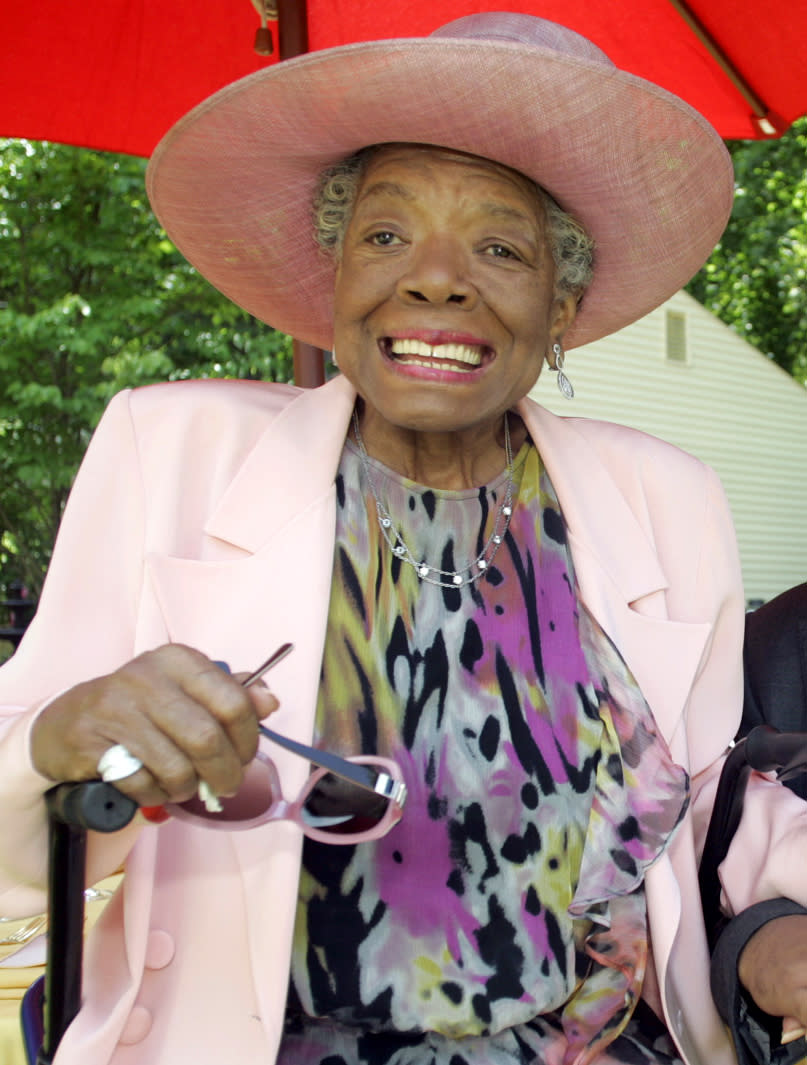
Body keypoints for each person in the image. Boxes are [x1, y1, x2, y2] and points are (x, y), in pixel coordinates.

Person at [1, 12, 806, 1065]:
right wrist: (59, 737)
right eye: (386, 235)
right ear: (334, 274)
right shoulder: (175, 448)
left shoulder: (668, 496)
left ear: (563, 305)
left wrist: (778, 929)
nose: (434, 278)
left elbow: (708, 794)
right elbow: (34, 794)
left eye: (501, 247)